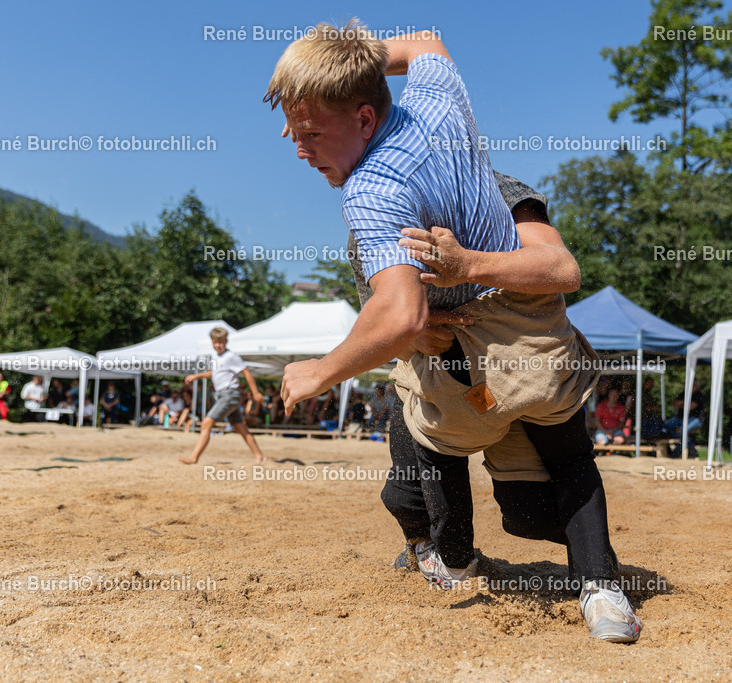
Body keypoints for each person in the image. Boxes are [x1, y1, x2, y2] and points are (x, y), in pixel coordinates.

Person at [268, 23, 639, 642]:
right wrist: (336, 71)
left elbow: (402, 316)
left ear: (364, 119)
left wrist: (321, 369)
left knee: (444, 442)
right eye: (293, 131)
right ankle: (517, 566)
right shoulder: (437, 100)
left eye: (310, 133)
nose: (299, 148)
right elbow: (425, 41)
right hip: (526, 333)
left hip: (483, 337)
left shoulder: (373, 189)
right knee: (540, 464)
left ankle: (461, 556)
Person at [179, 327, 265, 465]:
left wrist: (255, 393)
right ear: (212, 342)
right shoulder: (214, 357)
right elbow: (212, 373)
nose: (218, 345)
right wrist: (197, 376)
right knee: (240, 427)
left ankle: (194, 458)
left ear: (226, 341)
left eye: (221, 342)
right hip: (224, 395)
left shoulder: (231, 357)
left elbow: (247, 373)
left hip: (230, 394)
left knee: (206, 423)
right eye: (215, 342)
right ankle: (260, 456)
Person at [664, 381, 704, 457]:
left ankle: (681, 449)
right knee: (666, 425)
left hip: (695, 419)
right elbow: (674, 403)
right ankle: (678, 443)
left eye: (693, 385)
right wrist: (684, 403)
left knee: (683, 429)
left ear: (696, 386)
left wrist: (681, 404)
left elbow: (691, 407)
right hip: (680, 418)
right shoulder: (684, 394)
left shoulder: (698, 395)